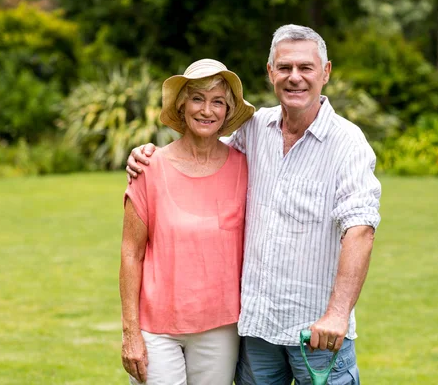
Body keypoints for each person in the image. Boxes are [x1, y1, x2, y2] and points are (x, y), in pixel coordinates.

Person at [127, 25, 381, 384]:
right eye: (285, 67)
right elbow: (202, 148)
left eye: (306, 68)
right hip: (259, 330)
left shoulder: (347, 143)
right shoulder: (256, 129)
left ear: (325, 72)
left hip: (317, 332)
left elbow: (360, 230)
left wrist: (338, 314)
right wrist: (147, 155)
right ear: (270, 72)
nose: (295, 78)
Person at [119, 58, 255, 385]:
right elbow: (130, 253)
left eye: (217, 102)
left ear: (227, 112)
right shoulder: (149, 167)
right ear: (182, 106)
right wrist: (130, 333)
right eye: (198, 98)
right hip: (155, 327)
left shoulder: (246, 168)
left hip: (219, 327)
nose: (206, 110)